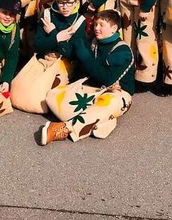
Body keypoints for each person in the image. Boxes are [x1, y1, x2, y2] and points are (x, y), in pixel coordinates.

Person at [40, 9, 134, 145]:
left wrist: (85, 57)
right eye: (95, 24)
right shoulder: (95, 42)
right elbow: (84, 68)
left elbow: (107, 79)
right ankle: (101, 122)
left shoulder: (123, 51)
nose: (96, 28)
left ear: (114, 28)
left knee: (110, 103)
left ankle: (63, 129)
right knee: (53, 95)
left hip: (118, 92)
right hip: (95, 87)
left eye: (102, 25)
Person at [11, 0, 86, 113]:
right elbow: (38, 45)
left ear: (76, 2)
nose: (65, 7)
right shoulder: (47, 15)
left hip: (64, 61)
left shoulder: (79, 21)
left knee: (49, 94)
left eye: (69, 3)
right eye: (61, 3)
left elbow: (71, 53)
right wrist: (57, 38)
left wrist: (52, 34)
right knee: (18, 86)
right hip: (44, 57)